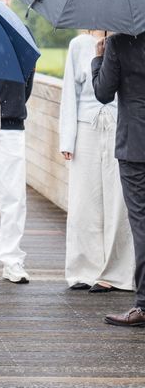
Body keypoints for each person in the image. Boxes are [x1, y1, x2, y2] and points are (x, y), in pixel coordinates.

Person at [59, 31, 135, 293]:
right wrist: (67, 139)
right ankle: (83, 269)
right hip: (86, 127)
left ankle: (117, 273)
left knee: (119, 203)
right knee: (83, 200)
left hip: (119, 124)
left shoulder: (126, 42)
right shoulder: (78, 45)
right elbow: (70, 91)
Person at [0, 0, 35, 284]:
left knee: (13, 198)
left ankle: (12, 260)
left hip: (12, 125)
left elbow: (28, 79)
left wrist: (13, 105)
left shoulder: (22, 32)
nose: (2, 2)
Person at [92, 32, 145, 326]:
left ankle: (144, 305)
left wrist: (98, 58)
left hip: (135, 147)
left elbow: (103, 92)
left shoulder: (119, 41)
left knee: (141, 224)